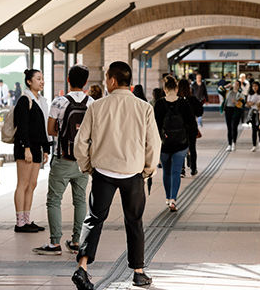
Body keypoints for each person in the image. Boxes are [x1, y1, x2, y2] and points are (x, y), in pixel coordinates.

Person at [71, 61, 161, 290]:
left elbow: (80, 143)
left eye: (106, 77)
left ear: (112, 80)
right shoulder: (144, 107)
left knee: (94, 219)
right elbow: (154, 143)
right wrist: (147, 170)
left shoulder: (97, 106)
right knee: (134, 221)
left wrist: (88, 167)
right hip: (133, 173)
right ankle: (138, 272)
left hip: (103, 172)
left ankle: (82, 268)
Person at [32, 65, 93, 256]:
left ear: (68, 80)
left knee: (54, 200)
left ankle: (54, 243)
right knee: (80, 200)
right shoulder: (92, 102)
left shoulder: (59, 102)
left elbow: (50, 130)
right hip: (83, 159)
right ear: (86, 82)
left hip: (62, 157)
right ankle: (76, 241)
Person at [13, 69, 51, 233]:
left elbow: (43, 128)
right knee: (23, 184)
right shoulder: (24, 99)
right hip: (25, 147)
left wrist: (46, 149)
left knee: (32, 184)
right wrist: (26, 148)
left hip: (37, 147)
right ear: (29, 81)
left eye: (42, 79)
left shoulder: (41, 100)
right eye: (38, 79)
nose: (41, 82)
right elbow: (22, 127)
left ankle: (27, 220)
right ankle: (19, 222)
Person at [153, 76, 197, 211]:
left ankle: (167, 198)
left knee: (166, 171)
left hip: (164, 144)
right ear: (176, 89)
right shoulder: (184, 103)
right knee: (176, 172)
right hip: (181, 144)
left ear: (165, 90)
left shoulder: (159, 104)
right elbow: (191, 124)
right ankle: (173, 199)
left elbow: (154, 125)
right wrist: (190, 144)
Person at [178, 79, 202, 176]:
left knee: (181, 148)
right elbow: (199, 112)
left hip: (180, 128)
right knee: (192, 148)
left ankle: (182, 169)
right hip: (191, 126)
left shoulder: (177, 100)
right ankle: (193, 168)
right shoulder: (192, 99)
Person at [222, 80, 244, 151]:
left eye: (237, 84)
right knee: (229, 128)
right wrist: (227, 86)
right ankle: (229, 144)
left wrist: (236, 102)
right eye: (235, 84)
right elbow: (219, 90)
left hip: (236, 111)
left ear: (239, 86)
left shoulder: (240, 94)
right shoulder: (228, 92)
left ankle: (234, 143)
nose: (236, 85)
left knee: (234, 127)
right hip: (228, 110)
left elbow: (242, 104)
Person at [246, 81, 260, 152]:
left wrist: (259, 104)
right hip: (253, 113)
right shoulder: (250, 95)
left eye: (256, 86)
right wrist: (250, 103)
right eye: (253, 86)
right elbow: (247, 105)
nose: (254, 87)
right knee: (254, 129)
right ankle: (254, 145)